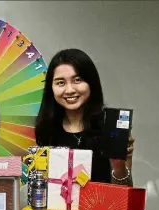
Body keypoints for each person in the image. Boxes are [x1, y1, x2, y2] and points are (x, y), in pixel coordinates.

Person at [35, 48, 135, 186]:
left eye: (77, 80)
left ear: (91, 83)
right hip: (59, 208)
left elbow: (124, 195)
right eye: (60, 83)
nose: (69, 90)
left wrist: (119, 165)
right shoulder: (46, 129)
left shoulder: (111, 126)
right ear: (51, 88)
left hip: (101, 207)